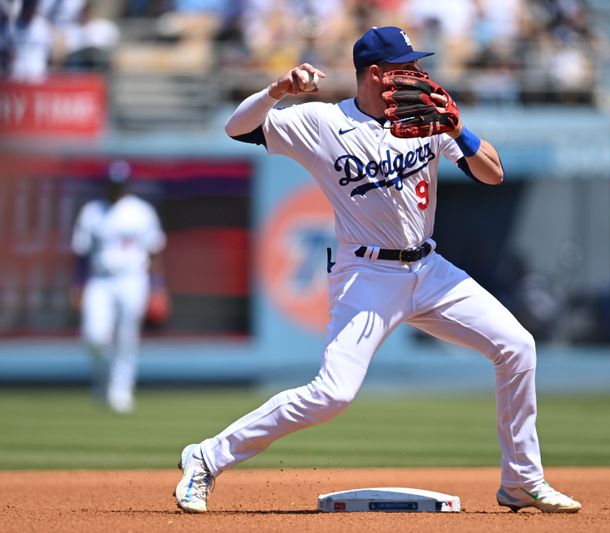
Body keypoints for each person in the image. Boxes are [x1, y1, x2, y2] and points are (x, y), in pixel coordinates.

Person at [175, 25, 581, 514]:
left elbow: (492, 173)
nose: (417, 74)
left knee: (517, 346)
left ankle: (521, 480)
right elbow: (236, 128)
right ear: (376, 74)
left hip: (429, 269)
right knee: (332, 395)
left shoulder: (424, 117)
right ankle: (207, 456)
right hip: (365, 275)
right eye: (406, 67)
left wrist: (458, 130)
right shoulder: (323, 123)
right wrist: (278, 91)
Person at [71, 160, 166, 414]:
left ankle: (120, 389)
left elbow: (155, 250)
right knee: (93, 337)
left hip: (133, 278)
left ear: (127, 185)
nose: (116, 189)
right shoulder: (92, 212)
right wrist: (77, 287)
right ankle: (104, 382)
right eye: (113, 184)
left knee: (127, 337)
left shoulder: (140, 211)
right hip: (100, 279)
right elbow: (81, 254)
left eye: (120, 184)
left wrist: (158, 288)